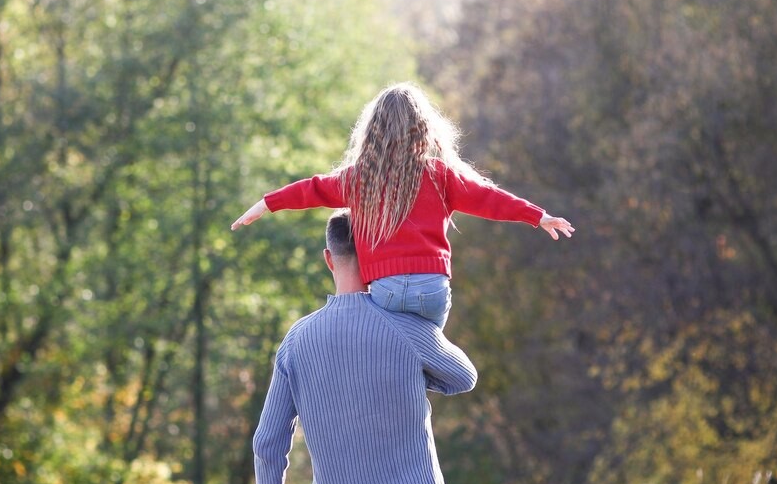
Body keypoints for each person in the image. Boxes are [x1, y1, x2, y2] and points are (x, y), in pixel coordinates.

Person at [252, 210, 478, 484]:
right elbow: (463, 376)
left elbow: (266, 442)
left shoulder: (296, 341)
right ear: (380, 254)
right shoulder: (407, 327)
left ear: (328, 258)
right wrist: (411, 371)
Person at [232, 82, 574, 328]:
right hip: (432, 288)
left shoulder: (359, 179)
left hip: (386, 290)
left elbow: (313, 189)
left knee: (392, 356)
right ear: (424, 129)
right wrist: (538, 216)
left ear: (372, 132)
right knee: (425, 355)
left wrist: (266, 203)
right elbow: (489, 199)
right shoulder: (440, 175)